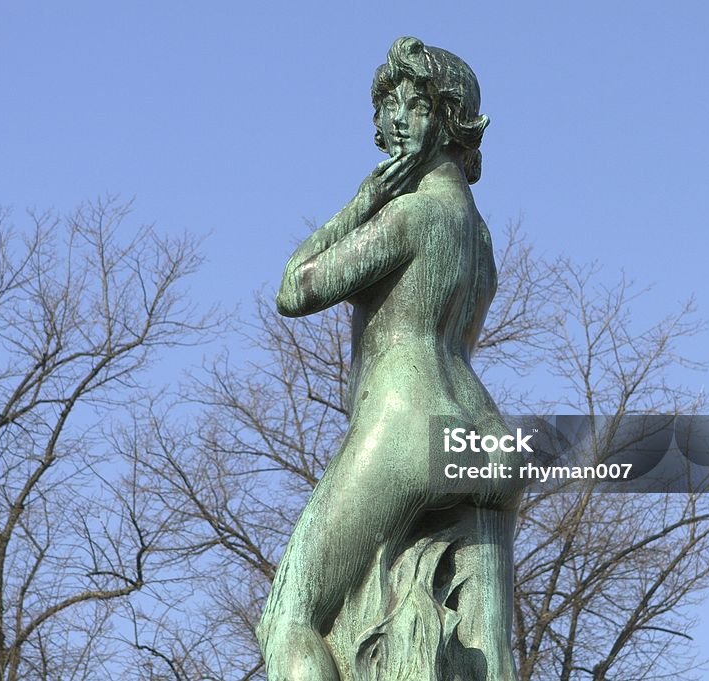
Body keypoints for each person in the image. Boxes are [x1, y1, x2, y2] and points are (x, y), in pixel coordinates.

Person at [258, 36, 522, 680]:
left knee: (288, 618)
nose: (395, 120)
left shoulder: (408, 216)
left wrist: (360, 202)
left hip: (404, 429)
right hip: (488, 439)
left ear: (450, 122)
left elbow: (295, 288)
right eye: (390, 106)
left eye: (415, 105)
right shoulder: (480, 238)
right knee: (492, 656)